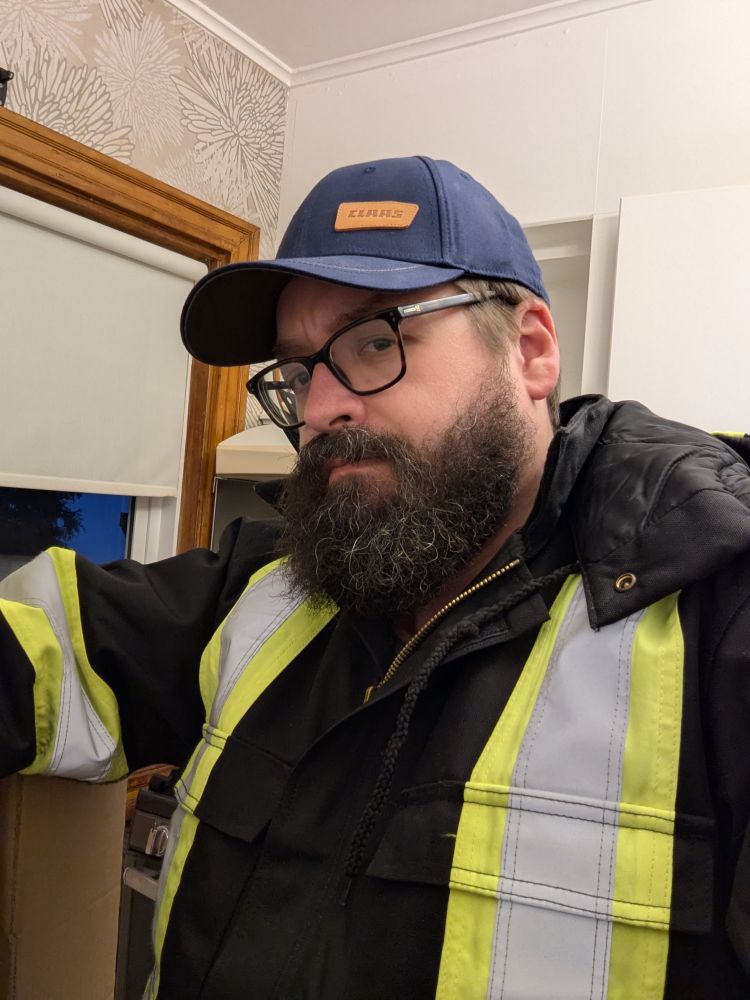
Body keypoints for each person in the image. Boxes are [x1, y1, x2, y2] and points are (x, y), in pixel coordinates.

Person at [1, 156, 749, 999]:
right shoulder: (265, 590)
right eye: (298, 371)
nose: (319, 409)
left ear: (532, 350)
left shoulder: (717, 618)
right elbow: (29, 656)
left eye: (374, 340)